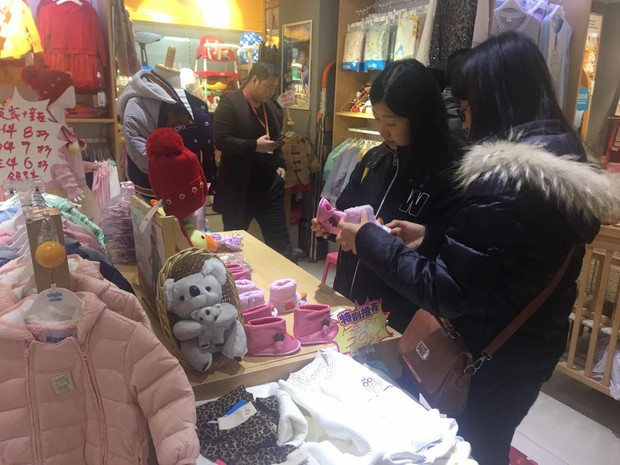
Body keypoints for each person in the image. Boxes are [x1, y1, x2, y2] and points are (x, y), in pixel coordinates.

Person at [335, 32, 620, 465]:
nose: (466, 123)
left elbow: (446, 290)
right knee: (485, 441)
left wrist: (367, 238)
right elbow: (510, 257)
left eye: (467, 109)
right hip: (526, 345)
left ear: (494, 101)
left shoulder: (507, 181)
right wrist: (432, 237)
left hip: (490, 354)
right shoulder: (558, 167)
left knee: (469, 449)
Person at [312, 59, 460, 331]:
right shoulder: (374, 159)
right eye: (377, 118)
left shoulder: (449, 173)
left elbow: (449, 261)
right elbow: (345, 210)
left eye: (390, 122)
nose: (382, 130)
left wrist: (425, 238)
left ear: (420, 117)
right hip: (350, 298)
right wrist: (331, 226)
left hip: (399, 316)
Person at [213, 61, 292, 259]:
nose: (271, 92)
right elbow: (221, 140)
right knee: (232, 246)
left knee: (281, 245)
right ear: (254, 80)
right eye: (268, 87)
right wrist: (254, 145)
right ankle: (232, 277)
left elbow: (276, 141)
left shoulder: (272, 107)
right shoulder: (230, 104)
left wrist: (280, 164)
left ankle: (288, 278)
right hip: (238, 187)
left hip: (269, 186)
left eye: (274, 88)